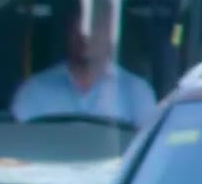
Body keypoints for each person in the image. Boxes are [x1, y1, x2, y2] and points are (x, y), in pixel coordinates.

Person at [11, 13, 158, 127]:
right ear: (68, 34)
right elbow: (19, 149)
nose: (85, 35)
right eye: (79, 27)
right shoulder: (34, 90)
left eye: (95, 27)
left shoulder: (137, 92)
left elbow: (148, 154)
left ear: (112, 35)